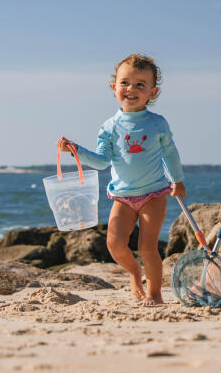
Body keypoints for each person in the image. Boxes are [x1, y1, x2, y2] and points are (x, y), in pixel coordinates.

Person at [57, 53, 184, 306]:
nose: (131, 89)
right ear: (114, 86)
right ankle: (135, 272)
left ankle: (155, 293)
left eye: (140, 84)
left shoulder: (157, 123)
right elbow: (102, 161)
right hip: (123, 197)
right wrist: (76, 151)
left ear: (152, 92)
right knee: (114, 243)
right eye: (125, 82)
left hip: (154, 194)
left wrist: (177, 180)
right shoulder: (109, 126)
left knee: (148, 247)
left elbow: (170, 152)